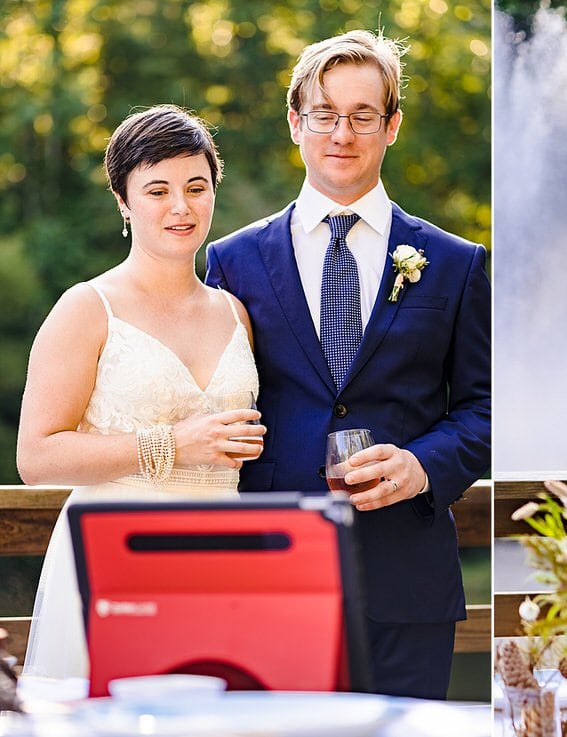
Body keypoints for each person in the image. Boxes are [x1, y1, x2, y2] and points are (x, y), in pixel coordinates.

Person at [205, 30, 490, 700]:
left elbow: (487, 405)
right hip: (270, 573)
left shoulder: (454, 262)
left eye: (363, 115)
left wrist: (423, 464)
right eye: (326, 113)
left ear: (391, 126)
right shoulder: (232, 261)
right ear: (296, 122)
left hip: (405, 580)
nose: (343, 132)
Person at [18, 105, 265, 679]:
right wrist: (172, 444)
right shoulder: (86, 308)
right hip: (117, 556)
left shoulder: (235, 313)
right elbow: (35, 457)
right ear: (125, 203)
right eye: (158, 190)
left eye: (196, 187)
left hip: (225, 561)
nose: (181, 207)